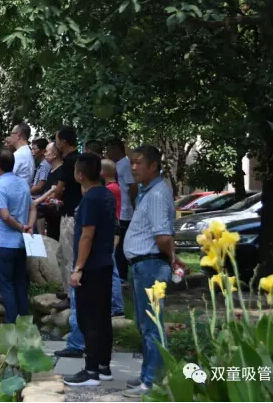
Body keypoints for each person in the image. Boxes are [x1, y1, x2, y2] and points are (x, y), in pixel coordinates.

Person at [121, 145, 175, 398]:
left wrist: (173, 257)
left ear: (153, 165)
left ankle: (152, 382)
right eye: (132, 162)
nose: (133, 167)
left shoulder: (157, 194)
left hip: (151, 265)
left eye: (138, 162)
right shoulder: (148, 191)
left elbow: (163, 236)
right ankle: (148, 374)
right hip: (143, 265)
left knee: (152, 324)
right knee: (146, 324)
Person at [63, 153, 117, 387]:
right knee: (102, 317)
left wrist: (78, 268)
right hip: (104, 262)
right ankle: (104, 365)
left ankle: (91, 370)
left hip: (91, 266)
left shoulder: (91, 199)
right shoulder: (105, 194)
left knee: (89, 318)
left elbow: (87, 235)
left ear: (80, 175)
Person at [0, 149, 36, 323]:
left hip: (2, 243)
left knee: (6, 286)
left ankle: (11, 324)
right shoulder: (23, 183)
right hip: (20, 244)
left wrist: (22, 227)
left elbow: (5, 216)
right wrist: (29, 226)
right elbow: (32, 208)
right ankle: (25, 323)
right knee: (20, 284)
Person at [52, 125, 85, 358]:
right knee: (61, 255)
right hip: (74, 215)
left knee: (69, 259)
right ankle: (67, 293)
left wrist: (55, 196)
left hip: (70, 217)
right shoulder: (79, 160)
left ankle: (71, 298)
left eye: (56, 140)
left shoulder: (69, 162)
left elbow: (60, 189)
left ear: (63, 142)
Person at [106, 138, 138, 283]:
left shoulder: (125, 164)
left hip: (125, 211)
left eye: (109, 149)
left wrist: (131, 203)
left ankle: (122, 274)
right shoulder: (117, 164)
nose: (108, 152)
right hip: (119, 210)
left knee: (120, 244)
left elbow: (132, 186)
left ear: (117, 149)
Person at [101, 158, 125, 317]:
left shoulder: (110, 189)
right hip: (112, 230)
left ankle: (116, 305)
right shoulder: (114, 187)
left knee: (112, 270)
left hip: (110, 231)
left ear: (103, 172)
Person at [33, 142, 63, 241]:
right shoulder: (51, 170)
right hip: (50, 212)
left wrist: (38, 201)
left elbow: (54, 189)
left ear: (54, 155)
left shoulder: (61, 170)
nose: (44, 154)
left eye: (47, 151)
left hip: (57, 213)